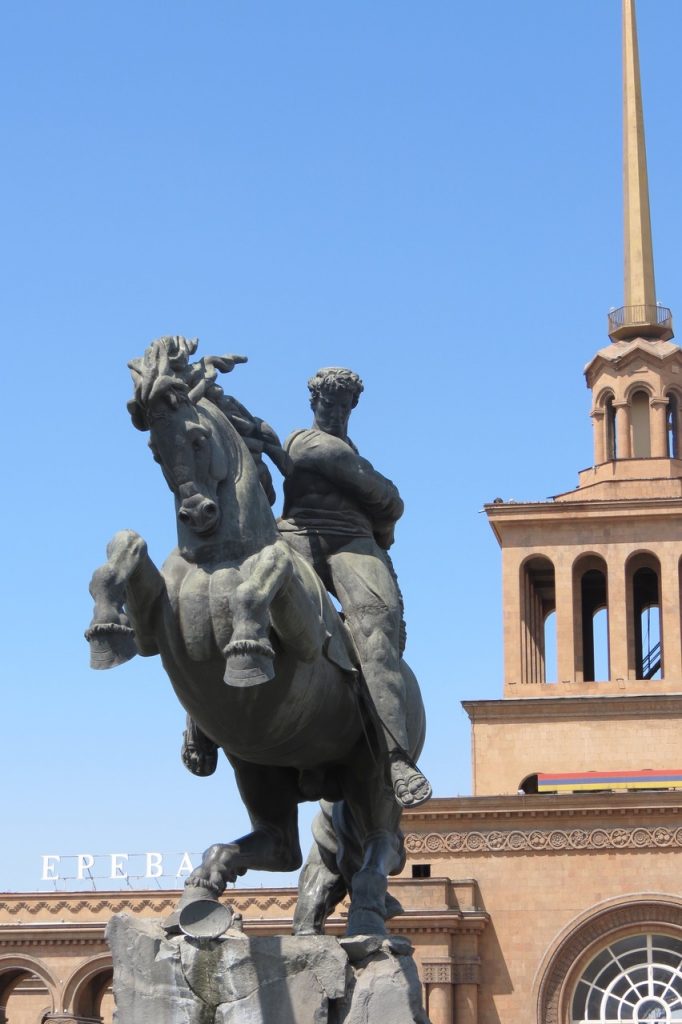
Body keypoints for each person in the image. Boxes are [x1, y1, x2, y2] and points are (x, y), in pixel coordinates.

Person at [278, 367, 432, 808]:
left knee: (377, 635)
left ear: (352, 407)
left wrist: (380, 499)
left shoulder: (342, 451)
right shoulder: (303, 442)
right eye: (327, 403)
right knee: (246, 584)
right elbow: (384, 495)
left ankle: (398, 757)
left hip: (351, 542)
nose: (334, 410)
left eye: (342, 404)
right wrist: (380, 495)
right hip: (295, 535)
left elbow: (389, 501)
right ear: (314, 404)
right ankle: (201, 716)